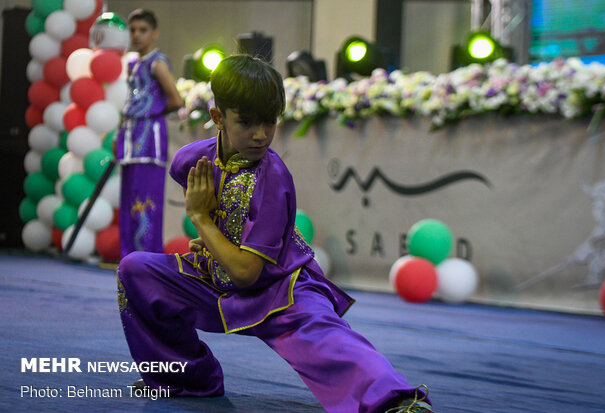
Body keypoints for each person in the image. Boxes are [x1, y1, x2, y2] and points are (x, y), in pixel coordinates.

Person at [117, 55, 433, 413]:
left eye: (270, 122)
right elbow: (213, 208)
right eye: (247, 122)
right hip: (214, 279)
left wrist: (200, 220)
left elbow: (247, 273)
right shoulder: (191, 161)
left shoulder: (274, 178)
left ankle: (398, 402)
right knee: (136, 271)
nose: (260, 134)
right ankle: (187, 379)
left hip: (280, 286)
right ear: (218, 117)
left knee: (330, 340)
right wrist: (214, 233)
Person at [115, 9, 184, 258]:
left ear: (154, 33)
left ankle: (148, 262)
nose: (136, 35)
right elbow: (129, 103)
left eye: (142, 30)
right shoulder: (133, 64)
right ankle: (129, 259)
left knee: (145, 204)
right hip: (130, 142)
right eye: (132, 30)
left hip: (149, 144)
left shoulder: (158, 63)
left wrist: (149, 113)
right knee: (128, 203)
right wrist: (118, 134)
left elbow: (176, 100)